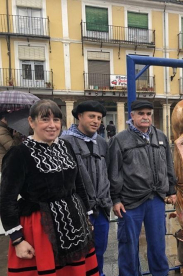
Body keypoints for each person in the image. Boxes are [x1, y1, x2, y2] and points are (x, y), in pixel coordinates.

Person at [0, 100, 98, 276]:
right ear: (32, 122)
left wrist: (86, 218)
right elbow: (7, 199)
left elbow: (79, 185)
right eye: (45, 119)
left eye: (57, 120)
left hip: (74, 225)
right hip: (40, 229)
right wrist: (17, 239)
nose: (52, 125)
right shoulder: (19, 153)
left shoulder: (66, 146)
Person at [107, 100, 177, 276]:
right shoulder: (119, 139)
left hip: (156, 199)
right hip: (130, 201)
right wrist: (115, 199)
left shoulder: (160, 136)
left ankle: (160, 273)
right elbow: (113, 171)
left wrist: (171, 190)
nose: (145, 117)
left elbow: (169, 164)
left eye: (148, 114)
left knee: (158, 243)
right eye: (141, 113)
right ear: (132, 115)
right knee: (128, 244)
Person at [61, 100, 112, 276]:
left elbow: (108, 173)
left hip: (102, 209)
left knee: (100, 249)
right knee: (77, 254)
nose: (96, 121)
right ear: (79, 117)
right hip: (77, 211)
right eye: (92, 116)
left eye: (99, 118)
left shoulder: (102, 142)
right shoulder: (64, 142)